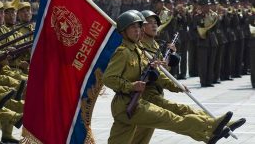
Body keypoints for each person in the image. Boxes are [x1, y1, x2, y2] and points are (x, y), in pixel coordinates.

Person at [102, 10, 244, 144]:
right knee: (171, 118)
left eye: (138, 27)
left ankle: (210, 130)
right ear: (123, 31)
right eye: (133, 28)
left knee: (128, 140)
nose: (137, 30)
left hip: (135, 102)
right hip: (128, 103)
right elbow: (108, 78)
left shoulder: (137, 51)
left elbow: (156, 74)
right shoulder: (124, 52)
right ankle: (209, 128)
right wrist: (131, 86)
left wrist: (172, 82)